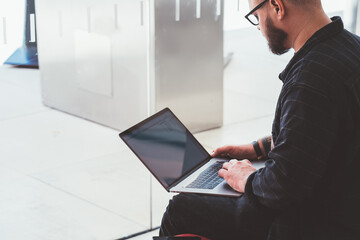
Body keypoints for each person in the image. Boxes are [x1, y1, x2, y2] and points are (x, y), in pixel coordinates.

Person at [159, 0, 360, 239]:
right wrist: (258, 148)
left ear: (277, 6)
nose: (257, 27)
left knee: (181, 208)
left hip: (313, 223)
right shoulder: (350, 46)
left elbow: (282, 188)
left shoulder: (311, 78)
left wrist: (246, 178)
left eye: (256, 15)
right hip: (345, 208)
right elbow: (322, 135)